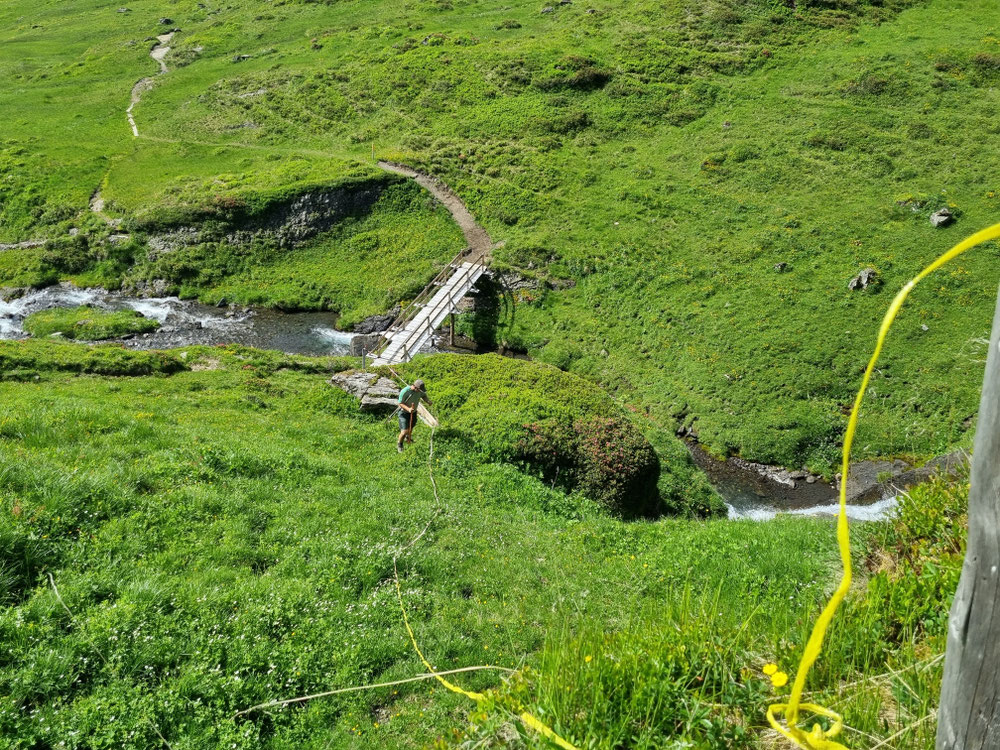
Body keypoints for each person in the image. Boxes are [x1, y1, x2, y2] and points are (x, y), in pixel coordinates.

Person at [397, 379, 432, 452]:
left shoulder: (419, 392)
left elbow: (424, 396)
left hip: (413, 413)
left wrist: (428, 401)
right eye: (420, 390)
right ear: (415, 387)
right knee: (404, 431)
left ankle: (408, 438)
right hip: (404, 413)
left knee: (411, 427)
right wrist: (408, 409)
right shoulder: (405, 391)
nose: (420, 392)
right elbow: (400, 403)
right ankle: (400, 444)